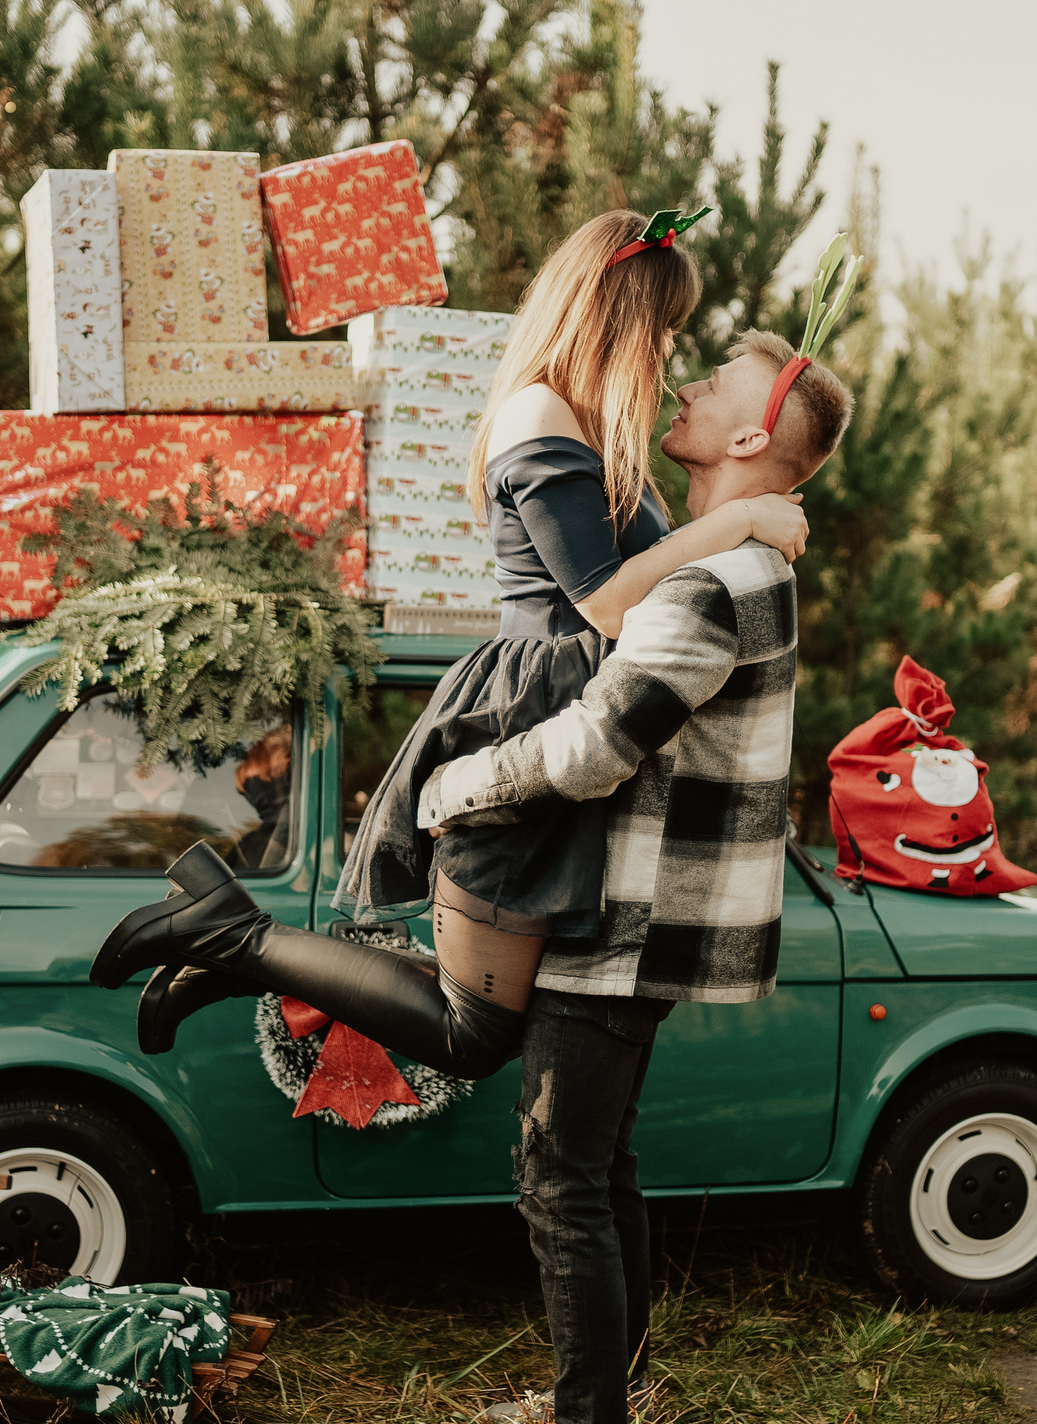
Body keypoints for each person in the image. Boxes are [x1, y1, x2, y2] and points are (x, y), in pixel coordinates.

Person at [93, 328, 857, 1424]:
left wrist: (459, 786)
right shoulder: (715, 559)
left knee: (559, 1176)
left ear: (753, 435)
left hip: (624, 913)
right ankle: (602, 1404)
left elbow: (600, 743)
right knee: (596, 1171)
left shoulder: (714, 587)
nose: (687, 383)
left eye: (711, 384)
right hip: (622, 906)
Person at [88, 207, 808, 1073]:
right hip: (529, 713)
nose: (664, 356)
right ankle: (229, 935)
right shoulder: (541, 415)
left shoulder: (587, 422)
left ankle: (229, 955)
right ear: (615, 318)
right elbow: (608, 604)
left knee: (483, 1017)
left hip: (564, 718)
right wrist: (737, 518)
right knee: (474, 1033)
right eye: (661, 329)